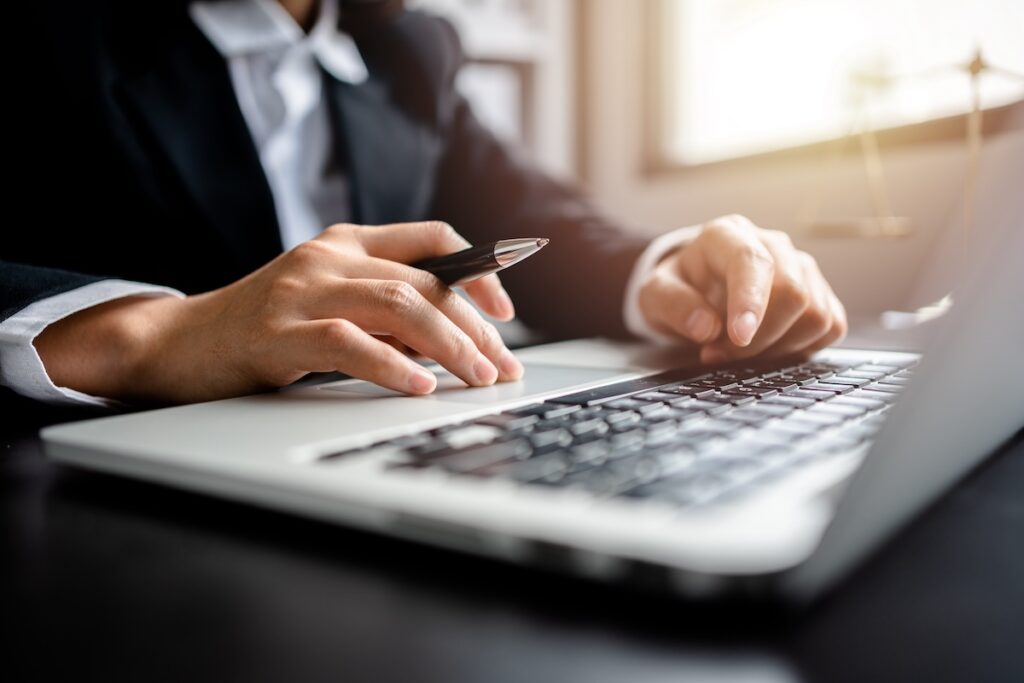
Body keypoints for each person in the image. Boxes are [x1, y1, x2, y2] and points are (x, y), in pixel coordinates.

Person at [0, 0, 846, 408]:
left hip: (381, 425)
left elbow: (528, 212)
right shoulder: (54, 32)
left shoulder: (410, 50)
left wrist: (670, 264)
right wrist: (157, 336)